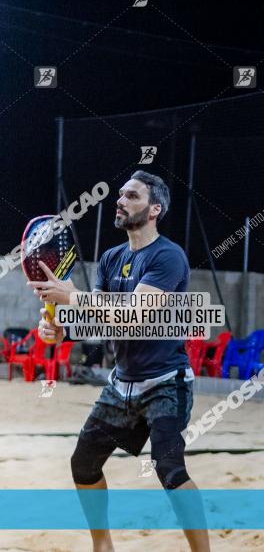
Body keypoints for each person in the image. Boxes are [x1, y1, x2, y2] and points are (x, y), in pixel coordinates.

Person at [30, 171, 210, 551]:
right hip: (122, 382)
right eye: (120, 194)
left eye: (131, 195)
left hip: (166, 381)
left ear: (154, 209)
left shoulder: (168, 256)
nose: (120, 200)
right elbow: (101, 315)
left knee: (170, 470)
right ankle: (103, 546)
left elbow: (135, 313)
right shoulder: (111, 258)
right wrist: (64, 328)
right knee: (83, 465)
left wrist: (75, 298)